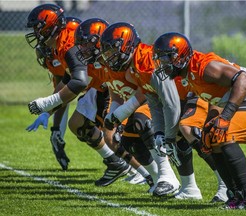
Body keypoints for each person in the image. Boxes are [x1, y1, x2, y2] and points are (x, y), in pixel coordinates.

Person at [152, 32, 246, 209]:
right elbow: (216, 98)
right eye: (161, 59)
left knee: (223, 135)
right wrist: (208, 126)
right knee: (212, 139)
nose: (163, 64)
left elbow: (244, 80)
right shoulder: (188, 73)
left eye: (166, 58)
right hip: (245, 97)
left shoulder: (205, 67)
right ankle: (235, 196)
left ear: (180, 55)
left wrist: (226, 117)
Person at [25, 4, 131, 185]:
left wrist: (46, 104)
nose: (35, 33)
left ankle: (145, 172)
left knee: (117, 132)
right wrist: (48, 112)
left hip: (108, 82)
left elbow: (78, 82)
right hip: (96, 82)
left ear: (51, 26)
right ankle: (115, 162)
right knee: (77, 125)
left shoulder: (68, 44)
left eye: (38, 27)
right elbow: (67, 82)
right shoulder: (59, 42)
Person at [99, 22, 181, 196]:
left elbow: (151, 93)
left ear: (128, 44)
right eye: (107, 51)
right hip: (156, 102)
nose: (110, 55)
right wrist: (115, 114)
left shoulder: (144, 58)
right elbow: (118, 92)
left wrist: (120, 113)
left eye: (113, 50)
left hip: (179, 99)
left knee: (142, 122)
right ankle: (157, 177)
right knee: (129, 142)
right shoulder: (120, 64)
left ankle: (169, 177)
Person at [74, 18, 155, 188]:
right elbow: (113, 89)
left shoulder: (123, 63)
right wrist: (114, 113)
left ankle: (159, 176)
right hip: (128, 102)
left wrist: (120, 113)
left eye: (86, 44)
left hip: (147, 103)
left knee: (143, 131)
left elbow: (144, 89)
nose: (82, 49)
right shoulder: (105, 64)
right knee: (111, 137)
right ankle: (147, 175)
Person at [26, 16, 81, 171]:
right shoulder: (55, 53)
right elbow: (64, 92)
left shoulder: (70, 46)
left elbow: (72, 88)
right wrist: (50, 118)